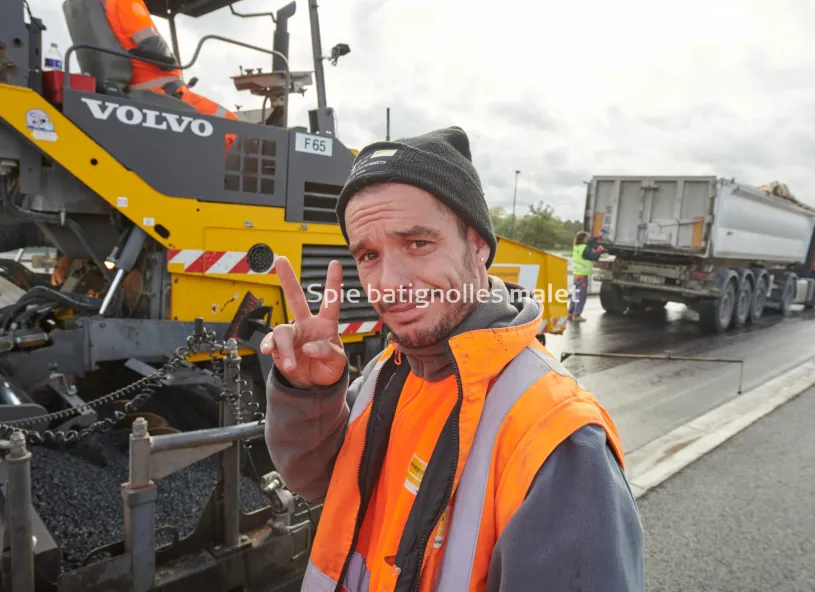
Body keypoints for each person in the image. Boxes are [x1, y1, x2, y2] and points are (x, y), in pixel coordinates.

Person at [261, 127, 644, 592]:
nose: (390, 281)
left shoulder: (558, 437)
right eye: (369, 255)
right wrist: (309, 394)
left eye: (418, 244)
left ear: (478, 244)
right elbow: (322, 482)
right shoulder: (391, 372)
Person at [102, 0, 239, 148]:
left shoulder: (107, 6)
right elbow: (155, 48)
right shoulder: (127, 2)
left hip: (150, 88)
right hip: (163, 91)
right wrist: (171, 62)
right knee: (234, 129)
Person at [569, 230, 604, 321]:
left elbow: (590, 242)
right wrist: (599, 250)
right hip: (583, 276)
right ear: (584, 239)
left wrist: (597, 237)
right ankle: (577, 315)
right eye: (587, 238)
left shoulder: (577, 247)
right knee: (581, 295)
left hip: (576, 275)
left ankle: (570, 313)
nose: (589, 239)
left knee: (575, 294)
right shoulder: (585, 248)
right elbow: (594, 257)